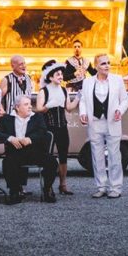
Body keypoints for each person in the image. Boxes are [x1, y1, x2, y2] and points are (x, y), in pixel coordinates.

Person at [78, 54, 128, 198]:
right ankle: (101, 187)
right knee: (97, 156)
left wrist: (119, 110)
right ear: (96, 66)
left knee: (114, 156)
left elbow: (125, 100)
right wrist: (83, 113)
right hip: (95, 123)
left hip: (112, 122)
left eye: (108, 63)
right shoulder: (87, 82)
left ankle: (115, 188)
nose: (107, 66)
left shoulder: (117, 80)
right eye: (103, 63)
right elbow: (83, 100)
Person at [0, 95, 58, 204]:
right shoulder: (7, 119)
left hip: (35, 151)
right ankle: (14, 192)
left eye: (30, 104)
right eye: (26, 104)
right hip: (16, 151)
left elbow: (43, 132)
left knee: (52, 162)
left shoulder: (37, 117)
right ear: (17, 107)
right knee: (7, 162)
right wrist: (10, 138)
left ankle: (47, 189)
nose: (30, 106)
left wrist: (30, 139)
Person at [36, 60, 79, 195]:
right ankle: (48, 186)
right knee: (48, 156)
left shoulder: (63, 90)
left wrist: (78, 98)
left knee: (63, 156)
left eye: (61, 74)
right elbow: (39, 109)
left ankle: (63, 185)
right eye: (58, 74)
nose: (61, 76)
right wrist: (49, 105)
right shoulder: (44, 91)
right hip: (48, 129)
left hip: (62, 128)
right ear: (50, 77)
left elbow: (69, 108)